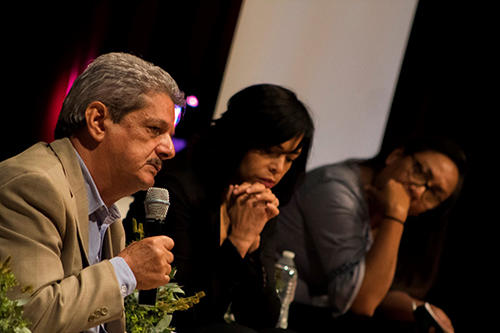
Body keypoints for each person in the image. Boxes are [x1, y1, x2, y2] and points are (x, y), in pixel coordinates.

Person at [0, 52, 185, 332]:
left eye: (170, 134)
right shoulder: (32, 186)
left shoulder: (106, 213)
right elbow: (29, 318)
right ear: (98, 121)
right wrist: (127, 270)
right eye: (154, 129)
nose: (168, 149)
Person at [124, 84, 315, 333]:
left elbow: (263, 319)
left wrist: (253, 250)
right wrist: (239, 241)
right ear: (239, 139)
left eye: (290, 159)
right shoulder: (179, 188)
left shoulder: (257, 199)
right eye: (269, 152)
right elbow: (181, 312)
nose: (278, 168)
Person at [271, 136, 467, 333]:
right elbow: (361, 303)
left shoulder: (387, 210)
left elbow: (372, 289)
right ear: (395, 156)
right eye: (419, 172)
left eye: (433, 194)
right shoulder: (335, 189)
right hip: (274, 312)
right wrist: (396, 216)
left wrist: (417, 308)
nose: (418, 191)